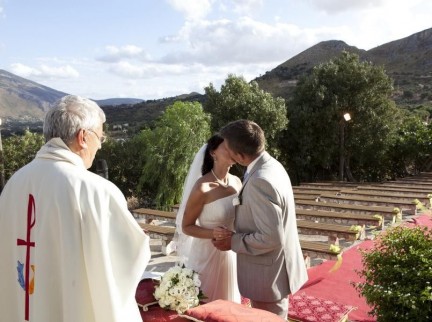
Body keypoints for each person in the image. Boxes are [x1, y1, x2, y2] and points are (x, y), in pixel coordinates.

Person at [0, 95, 151, 322]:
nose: (100, 145)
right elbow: (125, 261)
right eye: (100, 137)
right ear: (83, 137)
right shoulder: (95, 190)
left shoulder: (14, 183)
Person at [213, 119, 308, 319]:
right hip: (277, 269)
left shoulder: (259, 181)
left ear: (240, 156)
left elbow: (271, 237)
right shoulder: (272, 164)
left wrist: (232, 241)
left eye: (229, 149)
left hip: (268, 276)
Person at [175, 134, 242, 303]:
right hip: (206, 255)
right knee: (206, 306)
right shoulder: (202, 187)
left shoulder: (237, 182)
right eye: (226, 148)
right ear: (213, 153)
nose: (232, 150)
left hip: (230, 252)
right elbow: (186, 226)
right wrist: (213, 232)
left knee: (229, 308)